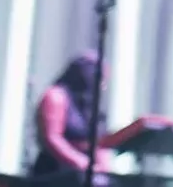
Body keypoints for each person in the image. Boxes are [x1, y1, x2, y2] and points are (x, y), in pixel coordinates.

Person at [30, 52, 113, 180]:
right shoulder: (56, 96)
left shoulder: (89, 104)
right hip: (55, 172)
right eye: (101, 80)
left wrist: (105, 168)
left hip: (85, 174)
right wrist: (82, 163)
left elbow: (98, 143)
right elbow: (52, 139)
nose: (103, 86)